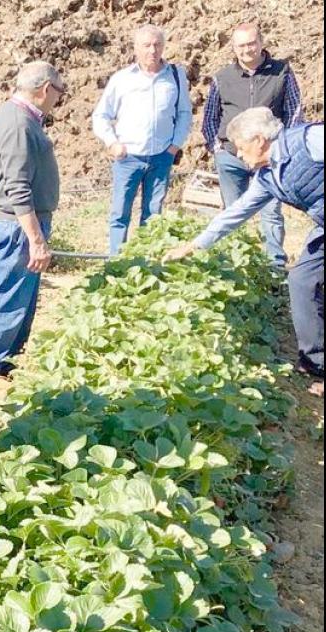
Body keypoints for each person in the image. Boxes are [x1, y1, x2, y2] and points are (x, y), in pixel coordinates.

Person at [167, 109, 322, 382]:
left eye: (240, 147)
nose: (238, 155)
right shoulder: (267, 178)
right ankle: (316, 364)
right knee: (301, 281)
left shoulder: (309, 140)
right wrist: (193, 246)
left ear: (259, 140)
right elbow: (235, 213)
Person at [0, 61, 65, 384]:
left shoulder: (25, 120)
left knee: (21, 297)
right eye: (59, 92)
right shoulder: (17, 123)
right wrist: (35, 238)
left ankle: (1, 362)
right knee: (6, 295)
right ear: (46, 89)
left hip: (24, 224)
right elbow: (17, 186)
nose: (59, 99)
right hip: (17, 226)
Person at [202, 22, 304, 269]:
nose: (247, 50)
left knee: (271, 211)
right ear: (234, 48)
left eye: (251, 43)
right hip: (231, 156)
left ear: (261, 43)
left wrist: (282, 148)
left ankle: (275, 266)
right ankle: (233, 264)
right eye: (241, 45)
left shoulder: (281, 72)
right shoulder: (222, 77)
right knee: (233, 211)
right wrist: (216, 147)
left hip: (269, 156)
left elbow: (294, 112)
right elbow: (210, 117)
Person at [92, 25, 193, 255]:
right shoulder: (122, 79)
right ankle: (117, 263)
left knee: (153, 212)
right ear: (135, 48)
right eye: (146, 45)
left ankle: (146, 260)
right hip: (128, 158)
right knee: (120, 213)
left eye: (157, 45)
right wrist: (112, 142)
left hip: (161, 157)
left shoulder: (175, 76)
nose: (152, 50)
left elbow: (185, 113)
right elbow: (100, 115)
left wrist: (175, 145)